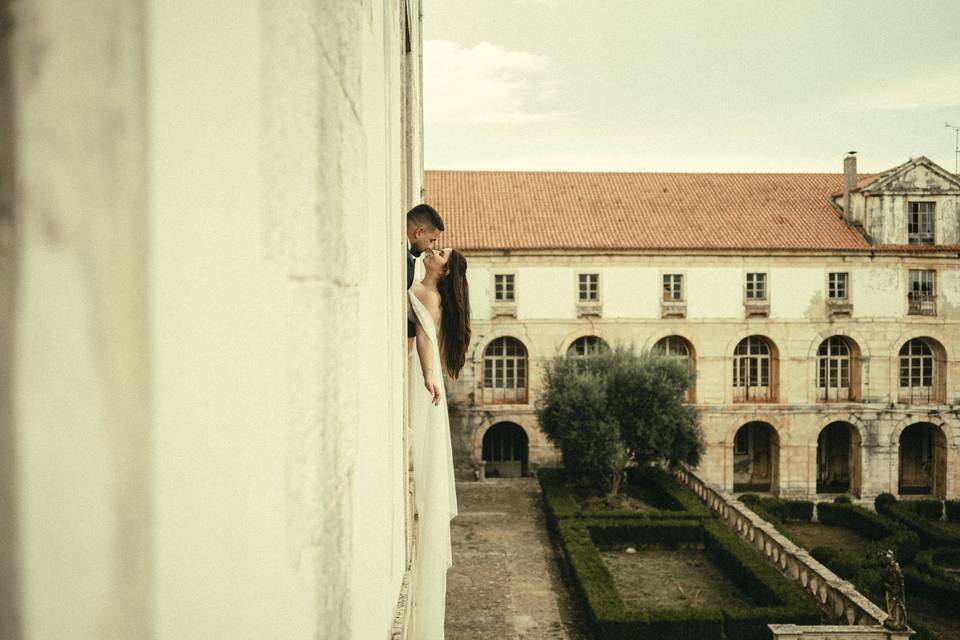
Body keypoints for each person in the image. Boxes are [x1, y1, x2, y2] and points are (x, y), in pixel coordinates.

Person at [407, 246, 470, 639]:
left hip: (420, 373)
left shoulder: (428, 293)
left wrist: (429, 375)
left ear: (444, 272)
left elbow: (424, 338)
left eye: (440, 252)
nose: (433, 250)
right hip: (422, 372)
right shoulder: (423, 284)